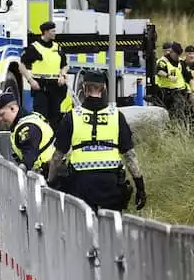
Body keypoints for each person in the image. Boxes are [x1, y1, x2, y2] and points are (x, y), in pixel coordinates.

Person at [48, 70, 146, 212]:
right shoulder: (116, 116)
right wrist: (140, 187)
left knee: (82, 229)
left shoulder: (72, 117)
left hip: (80, 185)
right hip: (111, 185)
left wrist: (50, 183)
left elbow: (57, 157)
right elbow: (130, 156)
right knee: (110, 228)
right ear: (104, 89)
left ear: (84, 89)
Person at [0, 93, 54, 180]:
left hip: (48, 175)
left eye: (2, 114)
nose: (0, 119)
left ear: (12, 108)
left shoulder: (26, 127)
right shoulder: (30, 118)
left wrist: (17, 175)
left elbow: (30, 153)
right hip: (49, 172)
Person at [19, 20, 68, 128]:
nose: (55, 33)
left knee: (56, 117)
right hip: (41, 86)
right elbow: (21, 66)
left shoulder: (57, 47)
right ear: (45, 32)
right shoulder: (35, 48)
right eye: (53, 31)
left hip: (55, 86)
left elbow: (64, 65)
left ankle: (55, 141)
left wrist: (63, 76)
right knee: (41, 117)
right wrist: (31, 81)